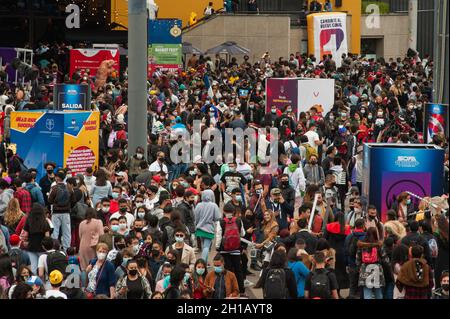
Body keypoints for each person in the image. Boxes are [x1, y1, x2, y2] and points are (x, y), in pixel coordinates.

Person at [216, 203, 246, 294]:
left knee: (227, 270)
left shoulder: (221, 222)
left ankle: (228, 290)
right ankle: (241, 289)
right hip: (236, 250)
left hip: (224, 250)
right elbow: (242, 234)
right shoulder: (238, 220)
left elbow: (218, 236)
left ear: (224, 211)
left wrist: (217, 247)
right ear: (234, 212)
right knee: (238, 270)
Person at [324, 212, 351, 295]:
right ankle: (338, 292)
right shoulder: (346, 228)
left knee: (331, 271)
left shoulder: (329, 226)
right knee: (341, 272)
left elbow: (325, 239)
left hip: (331, 252)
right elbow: (349, 241)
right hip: (342, 253)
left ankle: (332, 292)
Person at [48, 171, 75, 251]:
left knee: (55, 232)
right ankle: (67, 250)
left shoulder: (54, 188)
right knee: (67, 233)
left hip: (56, 213)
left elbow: (50, 200)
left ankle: (55, 249)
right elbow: (74, 200)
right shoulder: (69, 188)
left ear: (57, 178)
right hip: (66, 213)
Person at [21, 203, 51, 274]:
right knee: (43, 266)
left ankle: (34, 283)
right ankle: (43, 282)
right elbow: (47, 237)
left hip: (31, 247)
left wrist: (25, 241)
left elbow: (25, 234)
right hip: (42, 248)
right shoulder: (45, 222)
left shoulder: (29, 221)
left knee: (34, 268)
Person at [356, 227, 385, 299]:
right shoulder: (379, 245)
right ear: (376, 234)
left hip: (365, 269)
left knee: (367, 293)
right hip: (376, 269)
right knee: (378, 293)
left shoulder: (361, 245)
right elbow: (384, 258)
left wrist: (359, 267)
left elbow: (357, 258)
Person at [194, 189, 221, 262]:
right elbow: (217, 217)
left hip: (199, 229)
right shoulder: (214, 205)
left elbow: (196, 217)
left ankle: (205, 262)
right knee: (206, 247)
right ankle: (202, 262)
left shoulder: (198, 205)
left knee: (204, 246)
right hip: (209, 229)